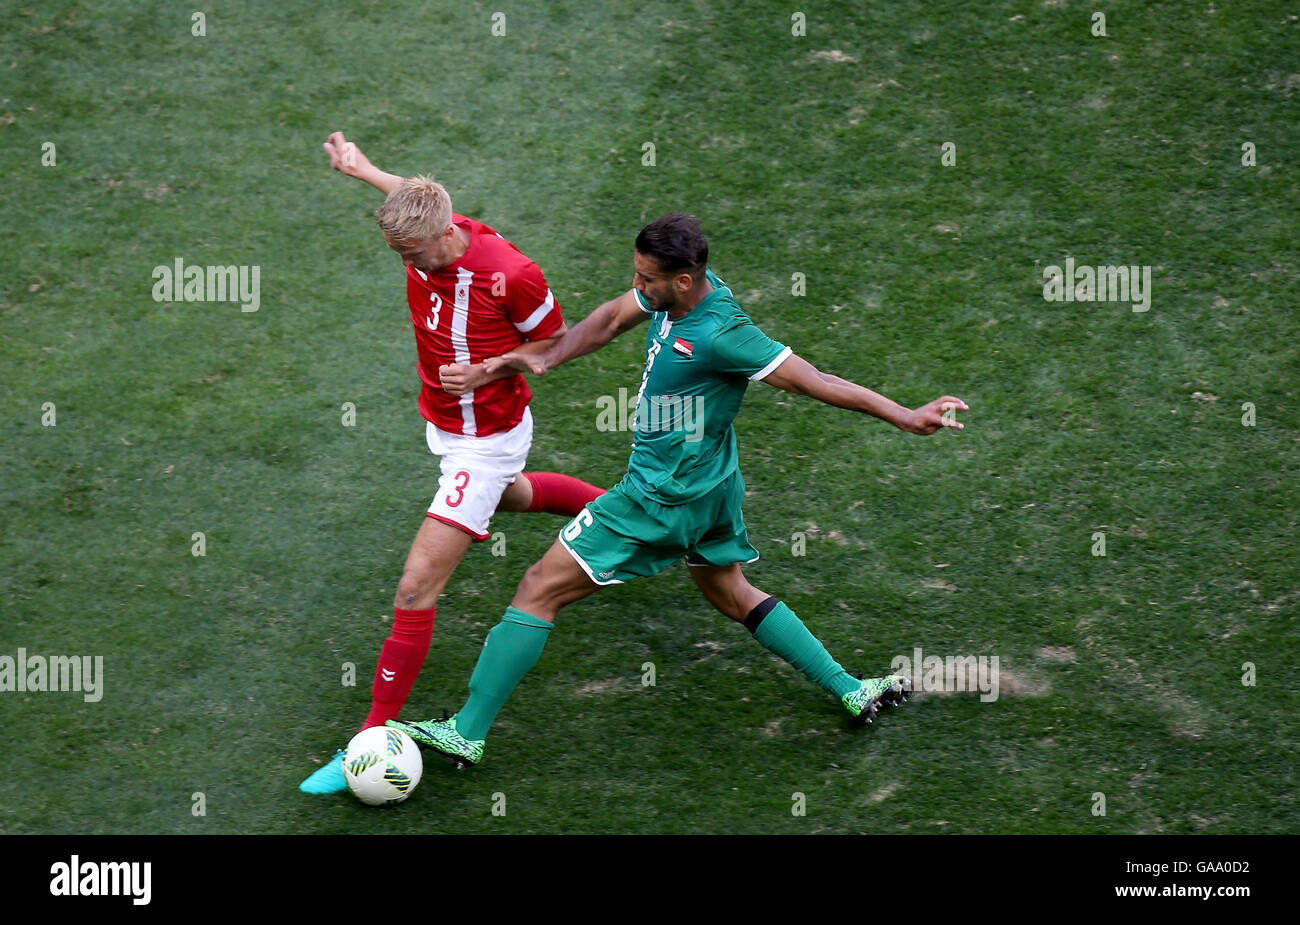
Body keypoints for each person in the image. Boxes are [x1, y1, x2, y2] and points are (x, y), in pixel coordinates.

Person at [387, 212, 969, 768]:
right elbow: (612, 320)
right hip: (714, 484)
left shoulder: (721, 333)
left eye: (646, 279)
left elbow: (815, 381)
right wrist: (530, 360)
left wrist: (904, 415)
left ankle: (466, 733)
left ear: (683, 280)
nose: (637, 286)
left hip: (659, 496)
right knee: (731, 592)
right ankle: (851, 689)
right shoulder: (674, 290)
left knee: (539, 588)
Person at [299, 133, 605, 793]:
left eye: (412, 254)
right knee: (514, 497)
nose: (408, 263)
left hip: (486, 437)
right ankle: (624, 510)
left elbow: (560, 341)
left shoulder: (511, 273)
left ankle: (371, 734)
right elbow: (408, 198)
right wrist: (363, 169)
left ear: (445, 237)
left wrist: (493, 367)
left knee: (416, 584)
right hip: (445, 425)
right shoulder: (429, 224)